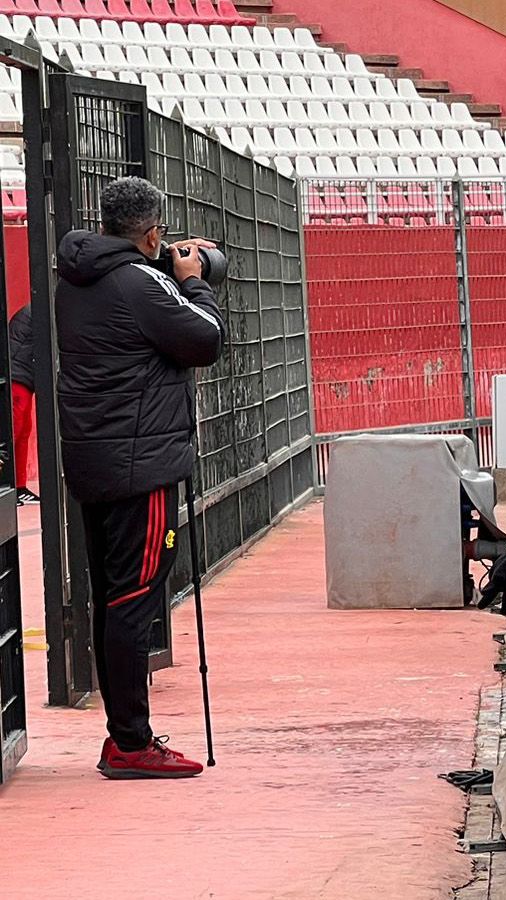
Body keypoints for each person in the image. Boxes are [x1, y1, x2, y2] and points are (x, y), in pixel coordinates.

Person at [54, 176, 224, 779]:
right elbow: (205, 340)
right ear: (151, 233)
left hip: (95, 460)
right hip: (141, 464)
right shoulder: (140, 281)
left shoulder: (74, 278)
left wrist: (166, 271)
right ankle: (129, 741)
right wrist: (196, 281)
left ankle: (125, 736)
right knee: (133, 601)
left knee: (112, 597)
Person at [7, 304, 38, 504]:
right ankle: (11, 486)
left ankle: (18, 486)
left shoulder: (29, 312)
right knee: (14, 431)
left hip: (20, 376)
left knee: (22, 430)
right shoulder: (38, 313)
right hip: (17, 377)